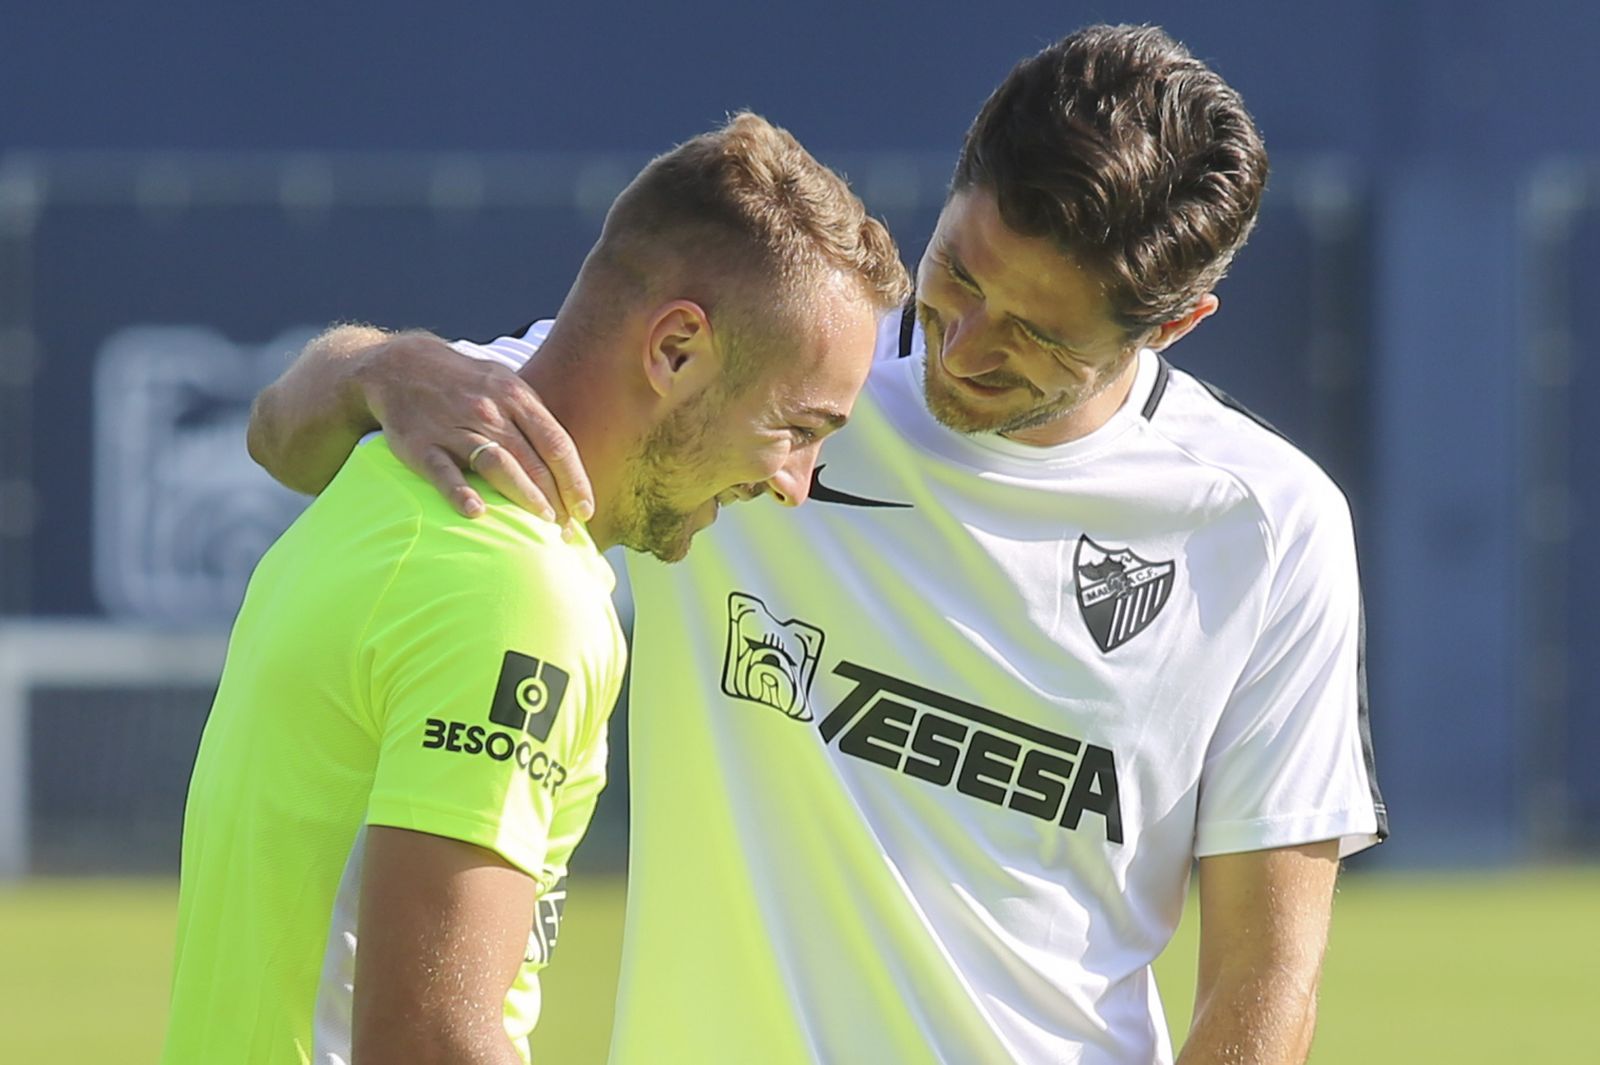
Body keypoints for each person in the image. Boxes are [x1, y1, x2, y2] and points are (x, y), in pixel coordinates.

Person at [247, 25, 1387, 1065]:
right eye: (961, 275)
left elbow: (1261, 985)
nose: (966, 345)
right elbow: (288, 435)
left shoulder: (1269, 528)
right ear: (956, 186)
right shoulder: (776, 382)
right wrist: (372, 367)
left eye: (1038, 335)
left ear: (1174, 324)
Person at [161, 112, 909, 1065]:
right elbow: (428, 1042)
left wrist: (369, 363)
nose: (796, 484)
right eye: (798, 427)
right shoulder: (521, 592)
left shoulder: (392, 454)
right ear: (675, 349)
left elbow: (278, 428)